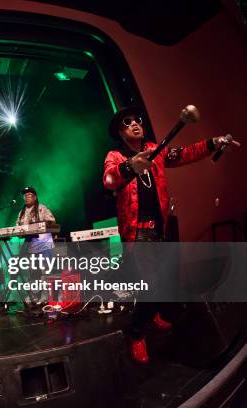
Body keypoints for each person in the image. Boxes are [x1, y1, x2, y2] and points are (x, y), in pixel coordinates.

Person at [102, 106, 240, 364]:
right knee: (152, 285)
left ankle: (152, 312)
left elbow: (185, 153)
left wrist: (215, 142)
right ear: (120, 132)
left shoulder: (157, 150)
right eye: (127, 122)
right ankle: (136, 333)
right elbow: (109, 180)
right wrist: (130, 166)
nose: (134, 124)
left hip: (159, 229)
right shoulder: (116, 156)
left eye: (137, 120)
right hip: (137, 234)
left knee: (164, 278)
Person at [15, 186, 56, 306]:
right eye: (25, 196)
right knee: (33, 272)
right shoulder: (21, 212)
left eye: (29, 195)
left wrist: (38, 225)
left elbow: (52, 221)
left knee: (46, 271)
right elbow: (18, 229)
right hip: (31, 247)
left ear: (35, 197)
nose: (26, 198)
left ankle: (46, 296)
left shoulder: (42, 208)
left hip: (44, 245)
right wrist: (20, 232)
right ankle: (34, 295)